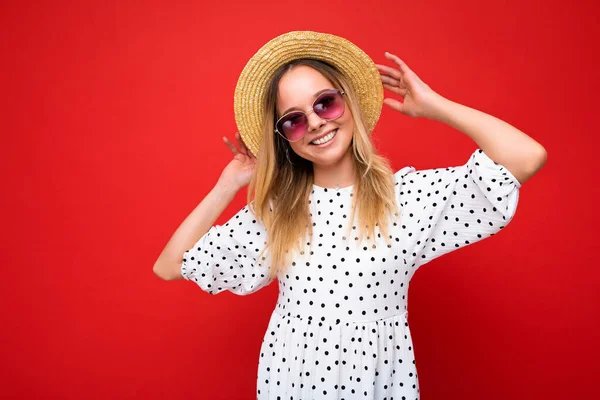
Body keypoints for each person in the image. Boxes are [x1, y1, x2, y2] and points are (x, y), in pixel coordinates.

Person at [153, 31, 547, 399]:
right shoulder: (277, 211)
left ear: (348, 102)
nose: (317, 122)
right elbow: (170, 265)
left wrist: (435, 106)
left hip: (378, 382)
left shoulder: (405, 199)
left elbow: (527, 157)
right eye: (293, 120)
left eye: (325, 102)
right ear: (284, 138)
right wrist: (229, 183)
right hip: (289, 382)